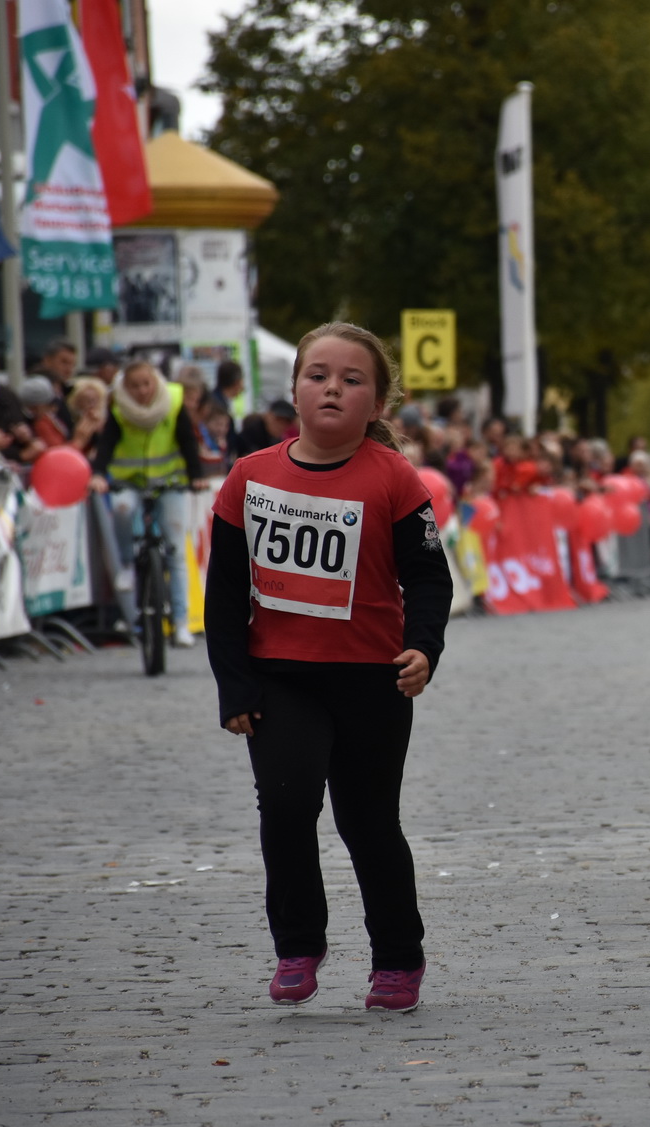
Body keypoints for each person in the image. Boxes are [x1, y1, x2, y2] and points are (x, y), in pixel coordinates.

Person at [204, 321, 451, 1013]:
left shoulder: (394, 477)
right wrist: (234, 684)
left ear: (376, 404)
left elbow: (430, 579)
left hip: (372, 678)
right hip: (279, 678)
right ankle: (297, 944)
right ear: (294, 391)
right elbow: (222, 596)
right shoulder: (249, 477)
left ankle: (398, 958)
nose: (332, 388)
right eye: (318, 375)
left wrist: (424, 647)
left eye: (351, 379)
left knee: (368, 820)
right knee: (285, 806)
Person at [91, 360, 207, 647]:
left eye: (146, 384)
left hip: (169, 481)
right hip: (129, 479)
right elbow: (107, 442)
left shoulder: (174, 399)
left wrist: (196, 476)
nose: (141, 391)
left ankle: (180, 623)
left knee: (176, 549)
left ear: (155, 382)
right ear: (125, 387)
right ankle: (128, 564)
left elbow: (186, 440)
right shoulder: (119, 405)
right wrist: (97, 474)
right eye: (134, 386)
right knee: (121, 509)